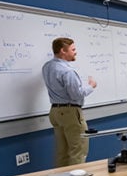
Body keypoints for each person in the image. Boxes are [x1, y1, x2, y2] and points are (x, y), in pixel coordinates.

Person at [42, 37, 97, 167]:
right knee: (78, 150)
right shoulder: (68, 71)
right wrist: (91, 86)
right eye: (73, 49)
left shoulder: (47, 67)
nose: (75, 52)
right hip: (70, 113)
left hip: (55, 112)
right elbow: (76, 95)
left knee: (62, 152)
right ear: (63, 51)